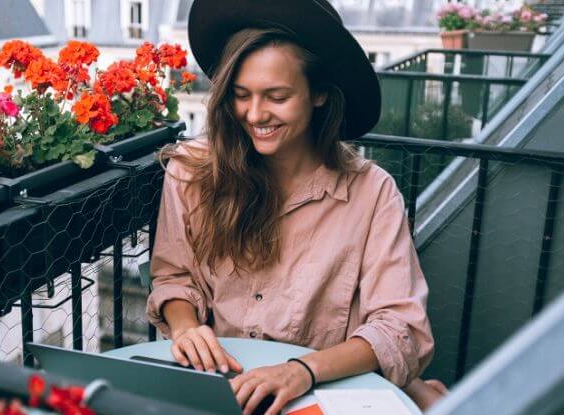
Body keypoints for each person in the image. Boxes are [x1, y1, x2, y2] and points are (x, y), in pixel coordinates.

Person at [145, 1, 447, 414]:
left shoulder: (372, 193)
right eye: (240, 95)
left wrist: (301, 370)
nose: (254, 114)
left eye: (277, 96)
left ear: (319, 92)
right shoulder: (191, 172)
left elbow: (401, 329)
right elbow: (174, 276)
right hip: (221, 392)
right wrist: (185, 328)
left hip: (321, 395)